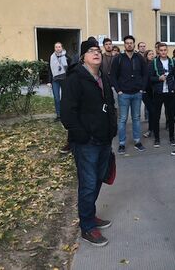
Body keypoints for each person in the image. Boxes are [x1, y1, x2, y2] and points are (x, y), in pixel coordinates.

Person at [60, 39, 117, 247]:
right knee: (88, 183)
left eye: (98, 50)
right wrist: (82, 136)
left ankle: (90, 215)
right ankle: (87, 227)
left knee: (99, 179)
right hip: (86, 143)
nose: (97, 53)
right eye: (91, 51)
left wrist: (112, 129)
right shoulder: (75, 79)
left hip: (103, 140)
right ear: (83, 56)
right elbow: (67, 113)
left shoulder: (103, 77)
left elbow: (109, 104)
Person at [110, 35, 148, 154]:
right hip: (124, 94)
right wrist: (118, 90)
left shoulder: (139, 58)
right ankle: (122, 143)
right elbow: (113, 76)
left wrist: (142, 88)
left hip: (137, 93)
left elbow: (145, 73)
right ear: (124, 45)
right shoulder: (118, 58)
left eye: (131, 43)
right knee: (122, 119)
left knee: (136, 118)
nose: (129, 45)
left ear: (134, 44)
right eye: (127, 43)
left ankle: (137, 141)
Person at [148, 43, 175, 147]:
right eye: (161, 50)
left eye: (164, 50)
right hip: (158, 93)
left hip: (170, 92)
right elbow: (150, 78)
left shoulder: (173, 62)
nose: (163, 52)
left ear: (167, 51)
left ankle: (172, 137)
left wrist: (174, 89)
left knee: (171, 116)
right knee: (156, 116)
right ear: (158, 51)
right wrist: (158, 79)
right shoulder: (153, 63)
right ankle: (157, 138)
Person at [47, 42, 71, 121]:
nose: (58, 48)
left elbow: (71, 68)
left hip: (64, 79)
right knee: (57, 98)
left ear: (62, 48)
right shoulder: (51, 57)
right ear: (54, 48)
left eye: (59, 47)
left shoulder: (66, 56)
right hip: (55, 80)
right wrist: (49, 81)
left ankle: (65, 114)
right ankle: (59, 115)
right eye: (56, 47)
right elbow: (49, 70)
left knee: (65, 98)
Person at [142, 50, 155, 138]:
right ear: (146, 56)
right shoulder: (144, 66)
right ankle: (150, 130)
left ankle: (153, 128)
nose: (152, 56)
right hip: (146, 91)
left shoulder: (156, 64)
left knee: (153, 111)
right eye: (150, 54)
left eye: (152, 54)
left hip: (155, 91)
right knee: (151, 110)